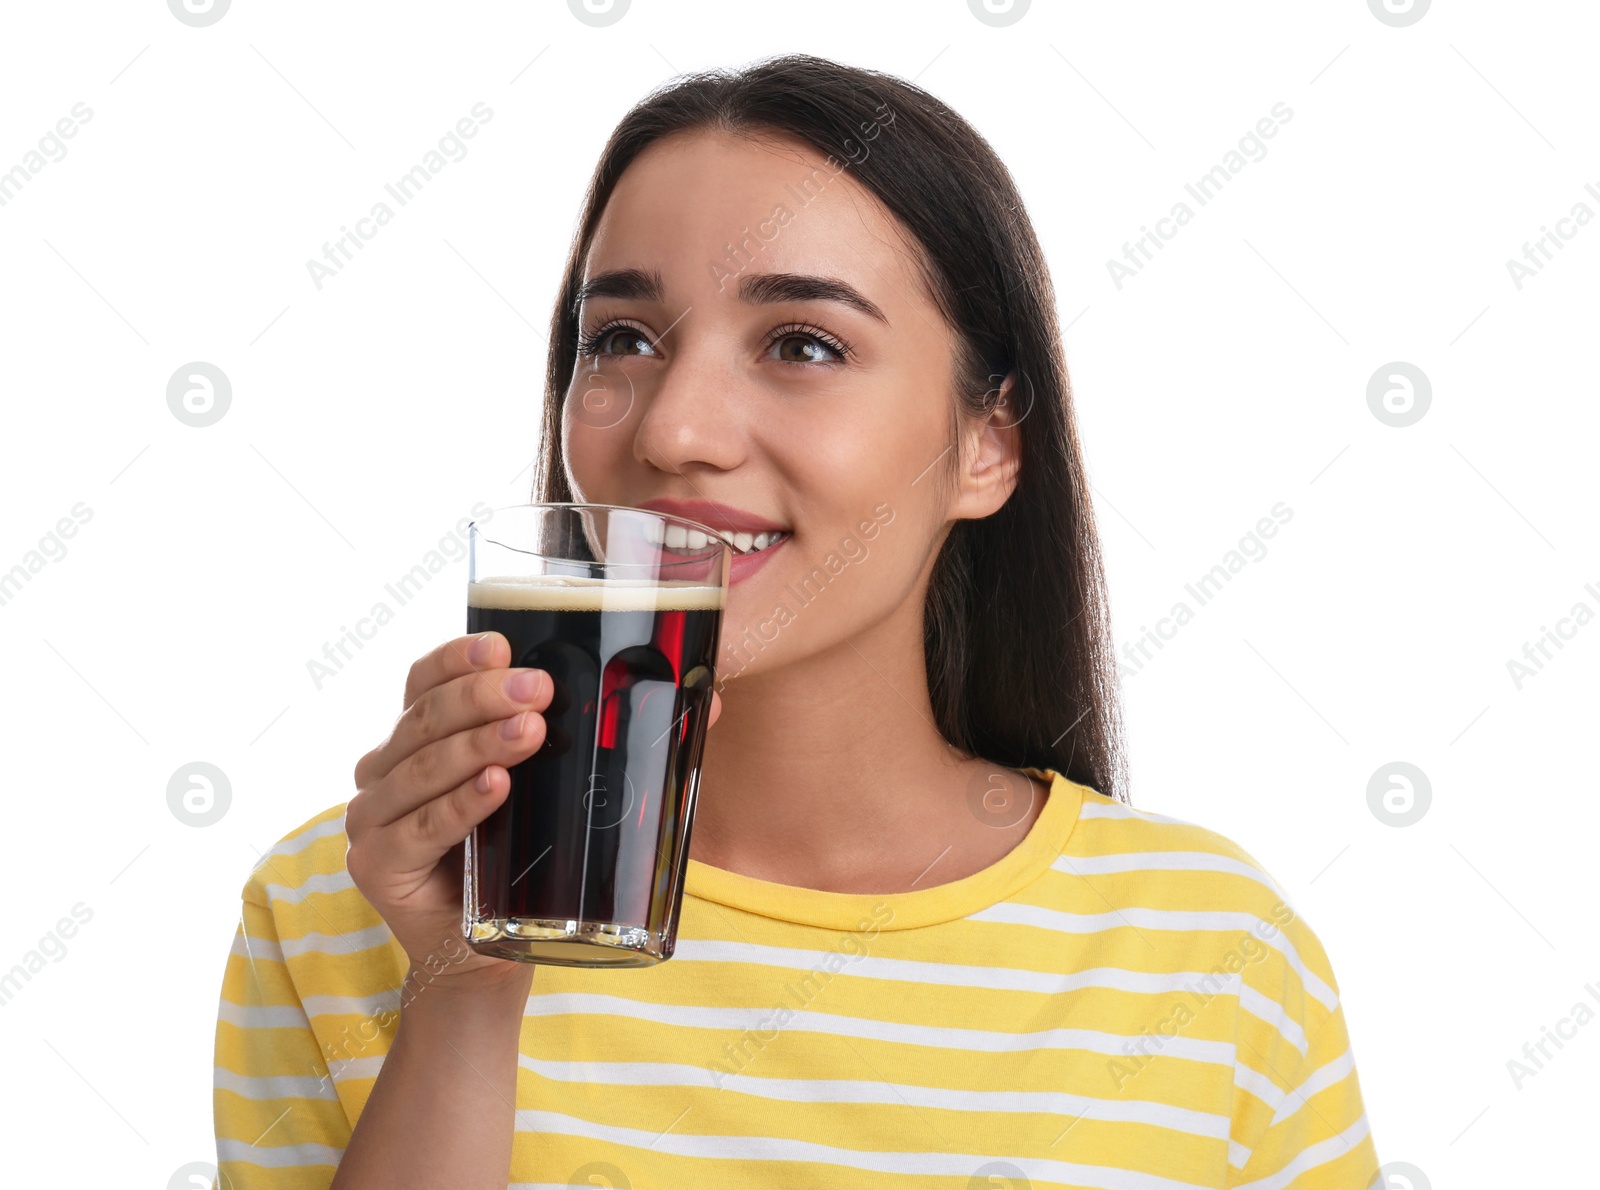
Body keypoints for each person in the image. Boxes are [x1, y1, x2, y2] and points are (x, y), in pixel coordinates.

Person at [212, 53, 1379, 1189]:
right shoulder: (346, 900)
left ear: (989, 442)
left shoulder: (1214, 951)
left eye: (803, 344)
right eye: (620, 338)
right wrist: (463, 993)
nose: (674, 429)